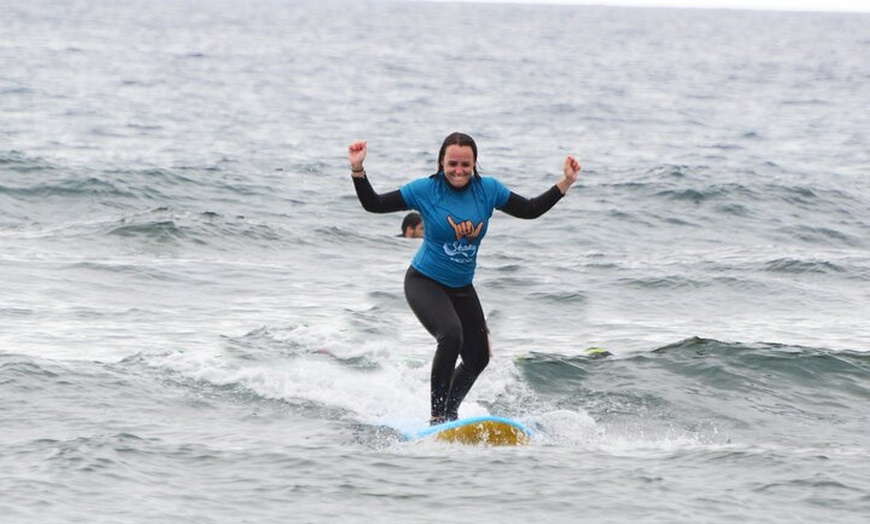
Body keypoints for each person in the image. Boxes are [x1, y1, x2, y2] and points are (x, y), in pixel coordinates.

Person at [348, 132, 581, 424]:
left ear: (474, 165)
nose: (459, 171)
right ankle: (436, 417)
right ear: (441, 163)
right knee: (451, 335)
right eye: (452, 164)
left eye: (465, 165)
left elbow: (530, 210)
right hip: (424, 281)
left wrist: (566, 182)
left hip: (461, 287)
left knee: (479, 357)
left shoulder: (489, 190)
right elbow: (374, 204)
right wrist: (358, 169)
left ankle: (450, 411)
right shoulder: (426, 190)